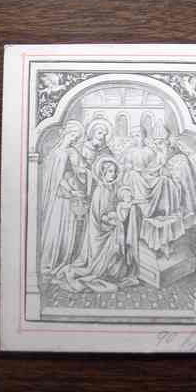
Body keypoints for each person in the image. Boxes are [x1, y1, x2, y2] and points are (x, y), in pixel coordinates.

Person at [53, 157, 138, 292]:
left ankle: (113, 272)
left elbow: (121, 191)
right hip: (100, 232)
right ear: (103, 173)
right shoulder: (100, 191)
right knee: (116, 239)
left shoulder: (112, 186)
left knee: (120, 235)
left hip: (111, 227)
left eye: (114, 171)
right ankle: (104, 271)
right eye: (110, 171)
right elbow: (100, 216)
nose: (113, 174)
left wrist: (125, 195)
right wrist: (113, 219)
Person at [39, 120, 87, 276]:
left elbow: (79, 172)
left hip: (69, 197)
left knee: (67, 230)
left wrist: (80, 175)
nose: (74, 139)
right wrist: (70, 190)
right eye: (73, 135)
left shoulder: (71, 152)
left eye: (76, 137)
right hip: (59, 199)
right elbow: (55, 178)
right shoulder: (57, 153)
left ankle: (63, 261)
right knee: (56, 228)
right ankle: (50, 263)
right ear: (66, 134)